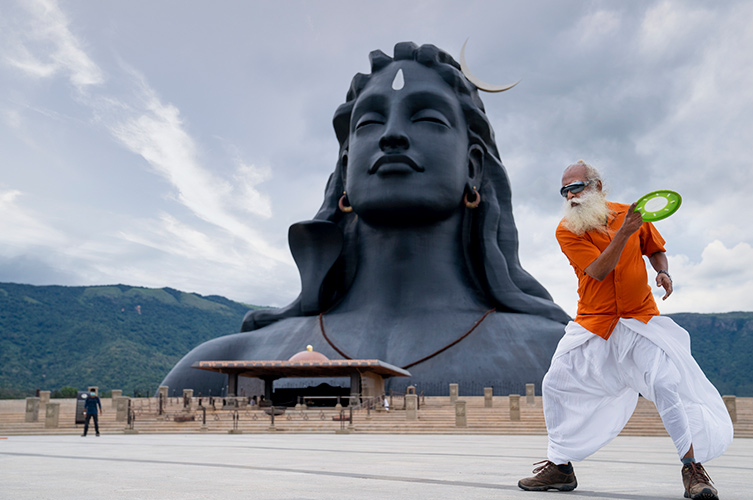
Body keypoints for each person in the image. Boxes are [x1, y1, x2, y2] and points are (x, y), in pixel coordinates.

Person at [160, 42, 570, 397]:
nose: (392, 135)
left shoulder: (561, 353)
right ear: (344, 168)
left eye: (428, 118)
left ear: (474, 167)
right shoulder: (228, 358)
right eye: (370, 122)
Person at [518, 161, 733, 499]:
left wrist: (663, 272)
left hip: (639, 320)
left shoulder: (631, 214)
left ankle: (693, 470)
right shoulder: (567, 229)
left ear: (598, 187)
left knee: (665, 383)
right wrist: (624, 233)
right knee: (555, 383)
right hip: (594, 323)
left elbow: (656, 248)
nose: (570, 195)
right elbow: (599, 271)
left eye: (577, 187)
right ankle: (560, 467)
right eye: (564, 191)